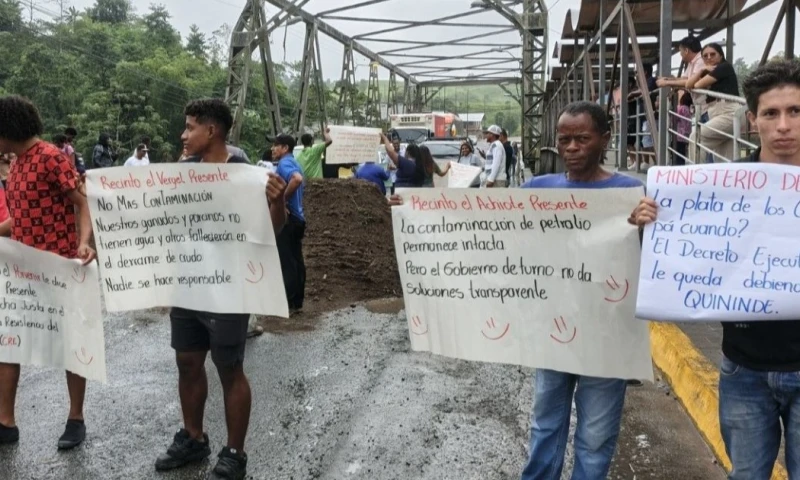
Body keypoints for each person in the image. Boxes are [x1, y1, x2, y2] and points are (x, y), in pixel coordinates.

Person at [632, 59, 800, 480]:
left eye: (795, 111)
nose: (783, 125)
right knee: (745, 474)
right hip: (744, 368)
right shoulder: (719, 186)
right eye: (771, 113)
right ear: (752, 119)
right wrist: (648, 224)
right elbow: (677, 257)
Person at [155, 98, 287, 480]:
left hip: (228, 287)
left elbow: (272, 230)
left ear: (211, 131)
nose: (183, 135)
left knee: (229, 367)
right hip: (188, 284)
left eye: (190, 127)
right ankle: (194, 438)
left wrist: (276, 204)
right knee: (187, 361)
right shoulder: (184, 171)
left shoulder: (244, 174)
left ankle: (235, 453)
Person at [518, 101, 644, 480]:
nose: (572, 147)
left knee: (595, 436)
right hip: (554, 330)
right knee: (545, 425)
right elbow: (491, 227)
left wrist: (644, 226)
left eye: (582, 139)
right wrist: (413, 208)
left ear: (604, 139)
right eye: (564, 140)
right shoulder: (537, 189)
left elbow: (653, 257)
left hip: (608, 337)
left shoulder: (630, 193)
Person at [0, 95, 97, 448]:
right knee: (9, 343)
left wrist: (84, 242)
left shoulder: (51, 158)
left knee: (71, 345)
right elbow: (21, 214)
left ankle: (76, 418)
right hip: (23, 272)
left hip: (57, 267)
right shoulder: (18, 163)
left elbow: (83, 201)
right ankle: (6, 423)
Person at [687, 43, 741, 163]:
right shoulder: (710, 71)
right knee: (723, 157)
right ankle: (724, 180)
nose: (709, 58)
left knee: (696, 138)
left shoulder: (724, 67)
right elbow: (688, 85)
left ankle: (695, 176)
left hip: (728, 111)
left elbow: (696, 85)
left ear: (721, 55)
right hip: (717, 111)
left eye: (713, 54)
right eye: (705, 56)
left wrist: (701, 72)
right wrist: (702, 70)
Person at [271, 133, 306, 315]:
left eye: (276, 145)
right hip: (299, 218)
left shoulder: (284, 164)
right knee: (296, 259)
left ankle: (289, 304)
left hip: (289, 219)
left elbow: (297, 179)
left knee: (287, 261)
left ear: (285, 148)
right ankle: (297, 302)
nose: (272, 149)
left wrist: (281, 201)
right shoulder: (295, 162)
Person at [673, 92, 693, 165]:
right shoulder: (688, 109)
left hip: (678, 134)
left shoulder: (681, 108)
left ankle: (678, 165)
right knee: (682, 153)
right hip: (686, 134)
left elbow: (675, 118)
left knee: (678, 153)